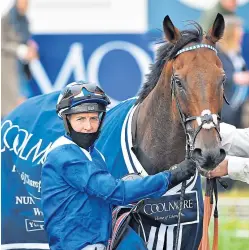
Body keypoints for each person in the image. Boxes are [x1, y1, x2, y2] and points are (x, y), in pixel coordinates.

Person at [41, 81, 197, 250]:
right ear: (66, 120)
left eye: (93, 118)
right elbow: (115, 192)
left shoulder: (94, 153)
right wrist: (170, 176)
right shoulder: (65, 156)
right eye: (80, 119)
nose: (88, 126)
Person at [1, 0, 38, 117]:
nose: (25, 5)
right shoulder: (5, 21)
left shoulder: (24, 21)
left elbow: (26, 39)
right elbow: (2, 44)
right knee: (12, 101)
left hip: (22, 68)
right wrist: (22, 50)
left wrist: (31, 48)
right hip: (8, 67)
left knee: (23, 99)